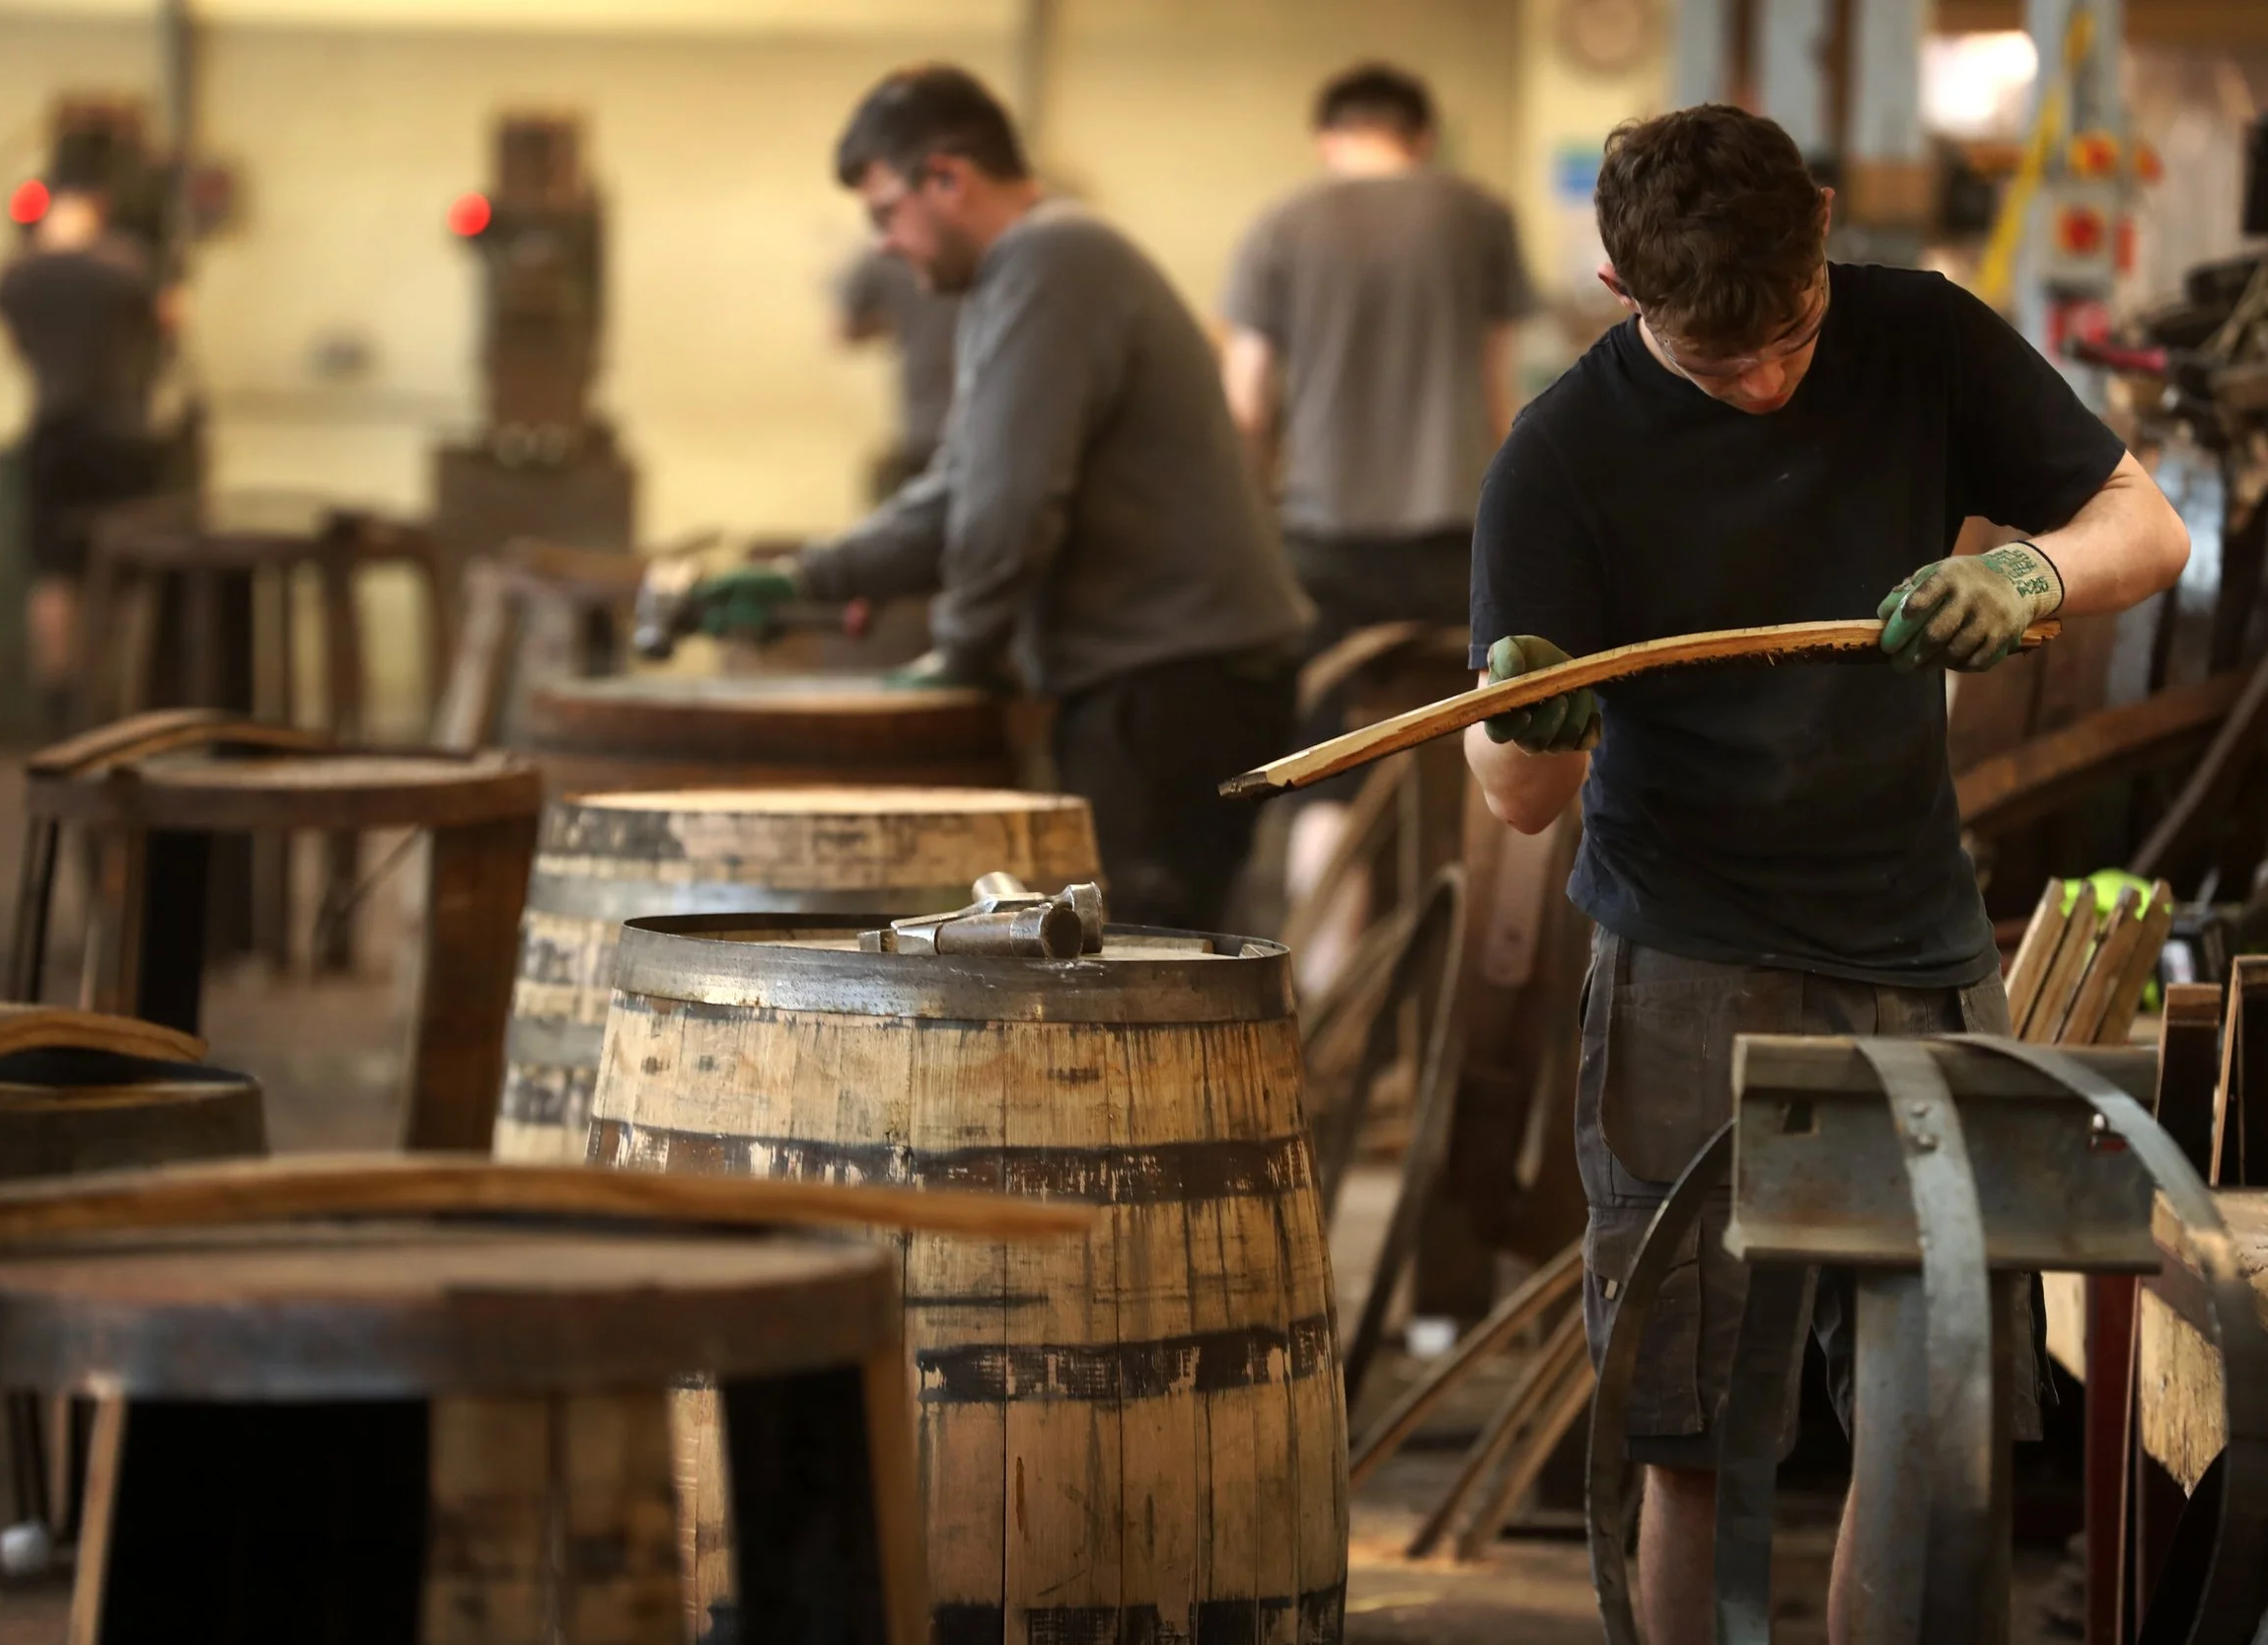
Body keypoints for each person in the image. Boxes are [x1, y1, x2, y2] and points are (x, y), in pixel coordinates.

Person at [1463, 106, 2188, 1645]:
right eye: (1723, 366)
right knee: (1692, 1424)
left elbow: (2151, 522)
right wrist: (1529, 724)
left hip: (1914, 945)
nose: (1775, 381)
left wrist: (2029, 570)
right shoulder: (1561, 457)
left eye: (1791, 331)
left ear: (1829, 232)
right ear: (1615, 285)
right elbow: (1522, 803)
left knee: (1937, 1411)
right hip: (1687, 959)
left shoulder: (1916, 334)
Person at [689, 65, 1311, 931]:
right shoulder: (1023, 273)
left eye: (885, 214)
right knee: (1130, 967)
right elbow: (963, 483)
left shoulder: (1055, 260)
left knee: (1143, 982)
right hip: (1162, 679)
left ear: (947, 178)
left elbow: (1011, 504)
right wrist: (808, 580)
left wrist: (960, 652)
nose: (881, 245)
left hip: (1176, 691)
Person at [1219, 62, 1536, 990]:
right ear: (1422, 136)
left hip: (1323, 549)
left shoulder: (1281, 224)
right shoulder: (1477, 216)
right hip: (1453, 548)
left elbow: (1245, 406)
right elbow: (1501, 395)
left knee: (1332, 773)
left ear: (1329, 137)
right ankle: (1453, 999)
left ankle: (1327, 1010)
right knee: (1468, 765)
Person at [0, 159, 169, 729]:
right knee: (125, 575)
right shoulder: (128, 267)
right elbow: (170, 321)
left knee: (55, 575)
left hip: (56, 431)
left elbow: (13, 345)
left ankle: (59, 701)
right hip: (123, 434)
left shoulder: (19, 276)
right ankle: (116, 697)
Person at [833, 246, 959, 499]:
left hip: (924, 432)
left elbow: (846, 331)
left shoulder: (880, 259)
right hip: (973, 435)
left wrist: (904, 324)